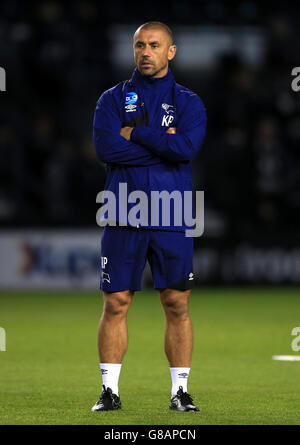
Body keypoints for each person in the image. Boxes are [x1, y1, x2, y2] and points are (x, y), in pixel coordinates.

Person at [92, 21, 207, 412]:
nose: (145, 52)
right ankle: (109, 392)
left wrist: (137, 135)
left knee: (177, 301)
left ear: (170, 51)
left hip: (171, 212)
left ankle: (179, 393)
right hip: (122, 209)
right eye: (139, 45)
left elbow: (186, 148)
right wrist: (165, 144)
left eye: (154, 45)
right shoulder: (111, 99)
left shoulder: (189, 102)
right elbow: (107, 149)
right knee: (116, 301)